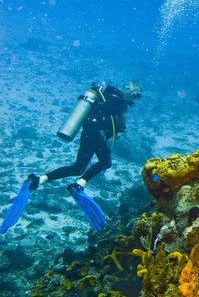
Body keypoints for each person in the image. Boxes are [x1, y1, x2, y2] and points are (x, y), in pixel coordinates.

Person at [0, 81, 143, 233]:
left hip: (88, 132)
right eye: (136, 94)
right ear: (128, 90)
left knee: (78, 167)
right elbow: (112, 116)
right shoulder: (117, 100)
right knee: (105, 163)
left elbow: (109, 117)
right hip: (96, 134)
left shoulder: (108, 95)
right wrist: (120, 126)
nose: (135, 99)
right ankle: (78, 185)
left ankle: (38, 180)